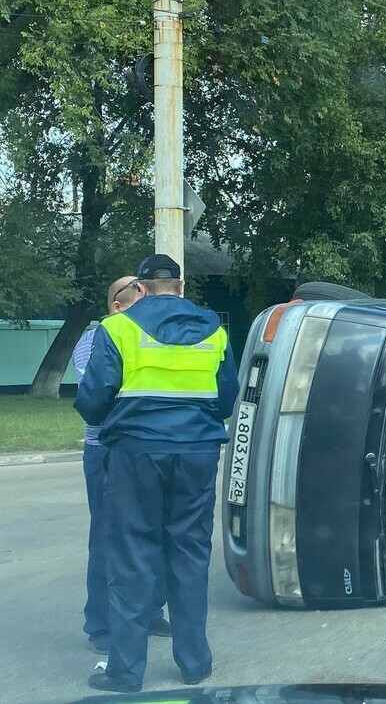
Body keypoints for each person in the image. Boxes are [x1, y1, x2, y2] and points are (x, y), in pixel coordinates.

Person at [75, 254, 239, 694]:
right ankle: (194, 663)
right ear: (182, 287)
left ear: (142, 288)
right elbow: (226, 399)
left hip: (136, 452)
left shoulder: (117, 329)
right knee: (189, 551)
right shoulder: (215, 329)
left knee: (132, 553)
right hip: (198, 453)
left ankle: (125, 673)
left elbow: (92, 400)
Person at [71, 276, 171, 655]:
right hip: (107, 451)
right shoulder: (94, 340)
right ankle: (100, 622)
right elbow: (96, 399)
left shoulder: (148, 334)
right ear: (117, 304)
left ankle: (149, 610)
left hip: (148, 448)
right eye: (138, 298)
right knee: (109, 537)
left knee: (154, 530)